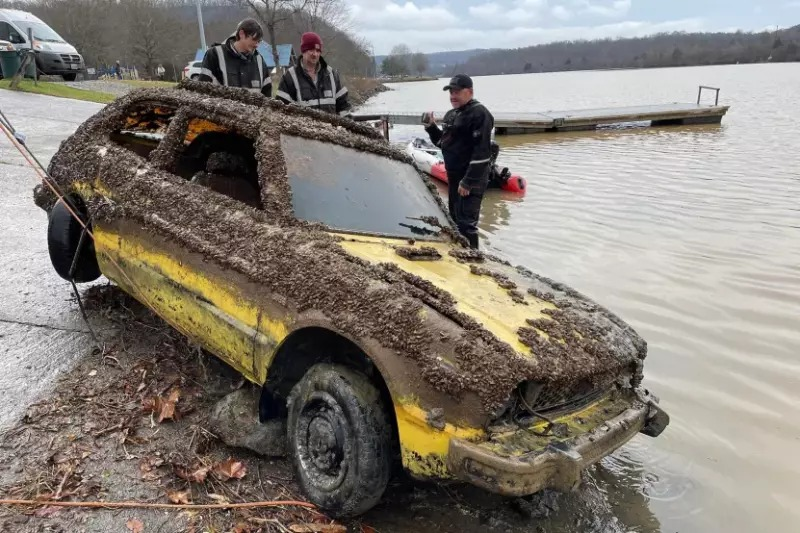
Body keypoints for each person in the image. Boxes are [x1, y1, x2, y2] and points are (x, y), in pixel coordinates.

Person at [423, 74, 494, 249]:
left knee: (466, 224)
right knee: (454, 219)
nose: (452, 96)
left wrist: (468, 182)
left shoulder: (480, 114)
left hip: (471, 178)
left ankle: (474, 259)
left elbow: (482, 152)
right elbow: (443, 143)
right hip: (454, 176)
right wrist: (431, 127)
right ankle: (459, 255)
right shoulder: (451, 115)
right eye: (451, 92)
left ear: (469, 91)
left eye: (457, 92)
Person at [276, 32, 351, 116]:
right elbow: (280, 112)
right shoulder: (289, 77)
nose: (315, 54)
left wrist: (346, 127)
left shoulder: (332, 75)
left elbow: (344, 108)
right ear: (303, 51)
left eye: (318, 51)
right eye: (311, 50)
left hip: (330, 129)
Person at [197, 18, 272, 97]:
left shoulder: (259, 61)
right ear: (241, 34)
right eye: (254, 39)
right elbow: (202, 92)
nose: (257, 45)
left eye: (259, 41)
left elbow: (267, 97)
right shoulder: (214, 55)